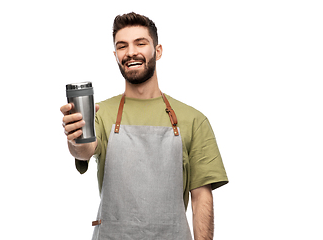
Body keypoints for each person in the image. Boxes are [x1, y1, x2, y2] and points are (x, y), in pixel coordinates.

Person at [60, 12, 228, 240]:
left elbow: (201, 197)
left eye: (140, 43)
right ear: (116, 55)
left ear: (157, 51)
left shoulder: (193, 120)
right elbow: (84, 149)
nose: (130, 52)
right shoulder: (101, 113)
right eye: (122, 46)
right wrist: (76, 136)